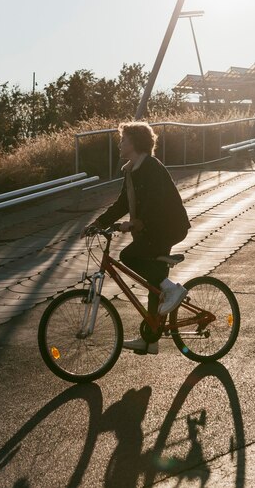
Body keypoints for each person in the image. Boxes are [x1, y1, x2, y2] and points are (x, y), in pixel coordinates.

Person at [81, 121, 190, 355]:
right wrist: (99, 223)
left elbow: (156, 202)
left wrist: (135, 223)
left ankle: (172, 289)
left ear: (136, 143)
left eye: (124, 140)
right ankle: (151, 339)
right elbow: (122, 203)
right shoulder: (131, 170)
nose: (120, 144)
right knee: (154, 281)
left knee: (129, 255)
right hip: (152, 229)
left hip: (168, 227)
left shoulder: (151, 167)